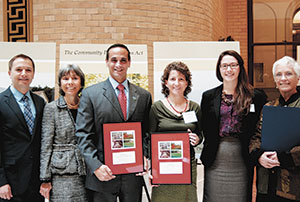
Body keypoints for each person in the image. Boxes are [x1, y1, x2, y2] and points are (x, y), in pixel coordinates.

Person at [75, 43, 152, 202]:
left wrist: (144, 154)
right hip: (103, 175)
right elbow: (83, 135)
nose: (118, 64)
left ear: (129, 63)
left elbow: (147, 132)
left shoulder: (144, 96)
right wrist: (95, 166)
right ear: (107, 62)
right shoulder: (90, 94)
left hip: (132, 176)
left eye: (123, 60)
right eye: (114, 60)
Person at [200, 50, 267, 202]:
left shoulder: (255, 96)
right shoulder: (209, 96)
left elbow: (261, 128)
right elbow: (205, 126)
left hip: (242, 158)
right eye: (224, 66)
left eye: (232, 65)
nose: (228, 70)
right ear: (219, 69)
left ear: (240, 68)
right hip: (215, 157)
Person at [149, 61, 202, 202]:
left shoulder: (195, 108)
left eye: (181, 79)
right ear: (166, 82)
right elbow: (149, 139)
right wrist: (151, 170)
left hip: (187, 167)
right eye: (172, 79)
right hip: (162, 168)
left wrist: (197, 139)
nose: (176, 83)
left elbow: (201, 134)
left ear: (187, 83)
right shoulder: (156, 108)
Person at [249, 56, 300, 202]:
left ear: (298, 78)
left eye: (288, 73)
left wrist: (283, 158)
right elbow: (256, 137)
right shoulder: (269, 107)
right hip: (267, 181)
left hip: (295, 183)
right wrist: (259, 156)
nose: (283, 78)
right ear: (275, 81)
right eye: (279, 74)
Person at [39, 64, 88, 201]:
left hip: (87, 171)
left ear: (81, 82)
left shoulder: (87, 106)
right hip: (62, 173)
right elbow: (46, 144)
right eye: (65, 78)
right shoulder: (51, 108)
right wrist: (45, 178)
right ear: (60, 83)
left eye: (75, 78)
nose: (70, 82)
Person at [0, 54, 45, 202]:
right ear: (9, 73)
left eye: (28, 70)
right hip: (10, 183)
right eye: (18, 69)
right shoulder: (1, 102)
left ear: (33, 74)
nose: (24, 74)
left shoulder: (40, 102)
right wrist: (1, 182)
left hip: (36, 182)